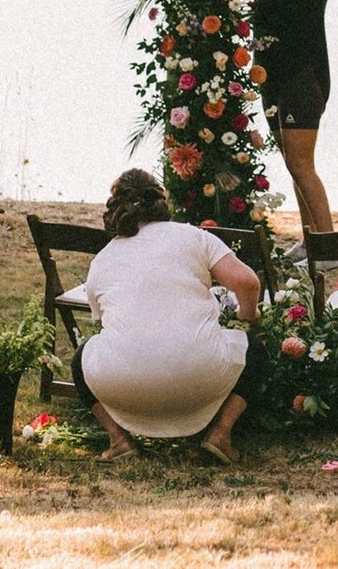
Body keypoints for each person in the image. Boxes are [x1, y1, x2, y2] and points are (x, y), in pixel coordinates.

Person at [71, 167, 264, 464]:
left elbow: (101, 322)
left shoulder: (103, 259)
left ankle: (118, 439)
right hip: (200, 374)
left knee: (80, 359)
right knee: (257, 351)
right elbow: (248, 282)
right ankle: (221, 435)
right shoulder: (194, 237)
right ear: (161, 201)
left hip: (123, 385)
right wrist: (247, 315)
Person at [251, 0, 333, 236]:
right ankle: (311, 239)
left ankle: (329, 244)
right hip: (272, 78)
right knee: (292, 165)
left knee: (302, 165)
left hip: (304, 75)